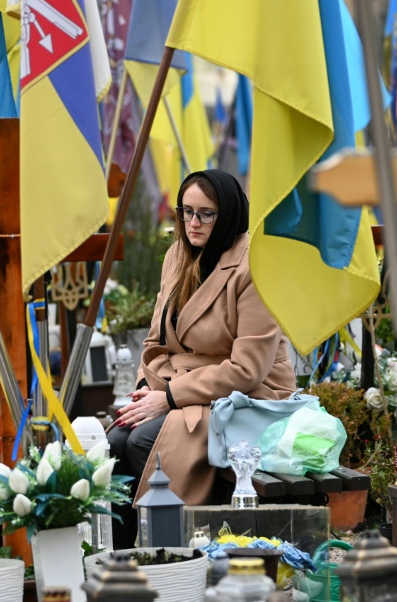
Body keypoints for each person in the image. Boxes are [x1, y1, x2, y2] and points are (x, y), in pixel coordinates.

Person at [107, 169, 297, 548]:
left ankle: (171, 547)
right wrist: (149, 388)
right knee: (115, 439)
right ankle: (124, 556)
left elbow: (247, 370)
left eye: (206, 214)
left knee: (143, 441)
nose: (193, 223)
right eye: (186, 212)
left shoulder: (255, 266)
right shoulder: (178, 255)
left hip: (249, 398)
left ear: (228, 214)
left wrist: (170, 397)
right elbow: (156, 341)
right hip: (186, 388)